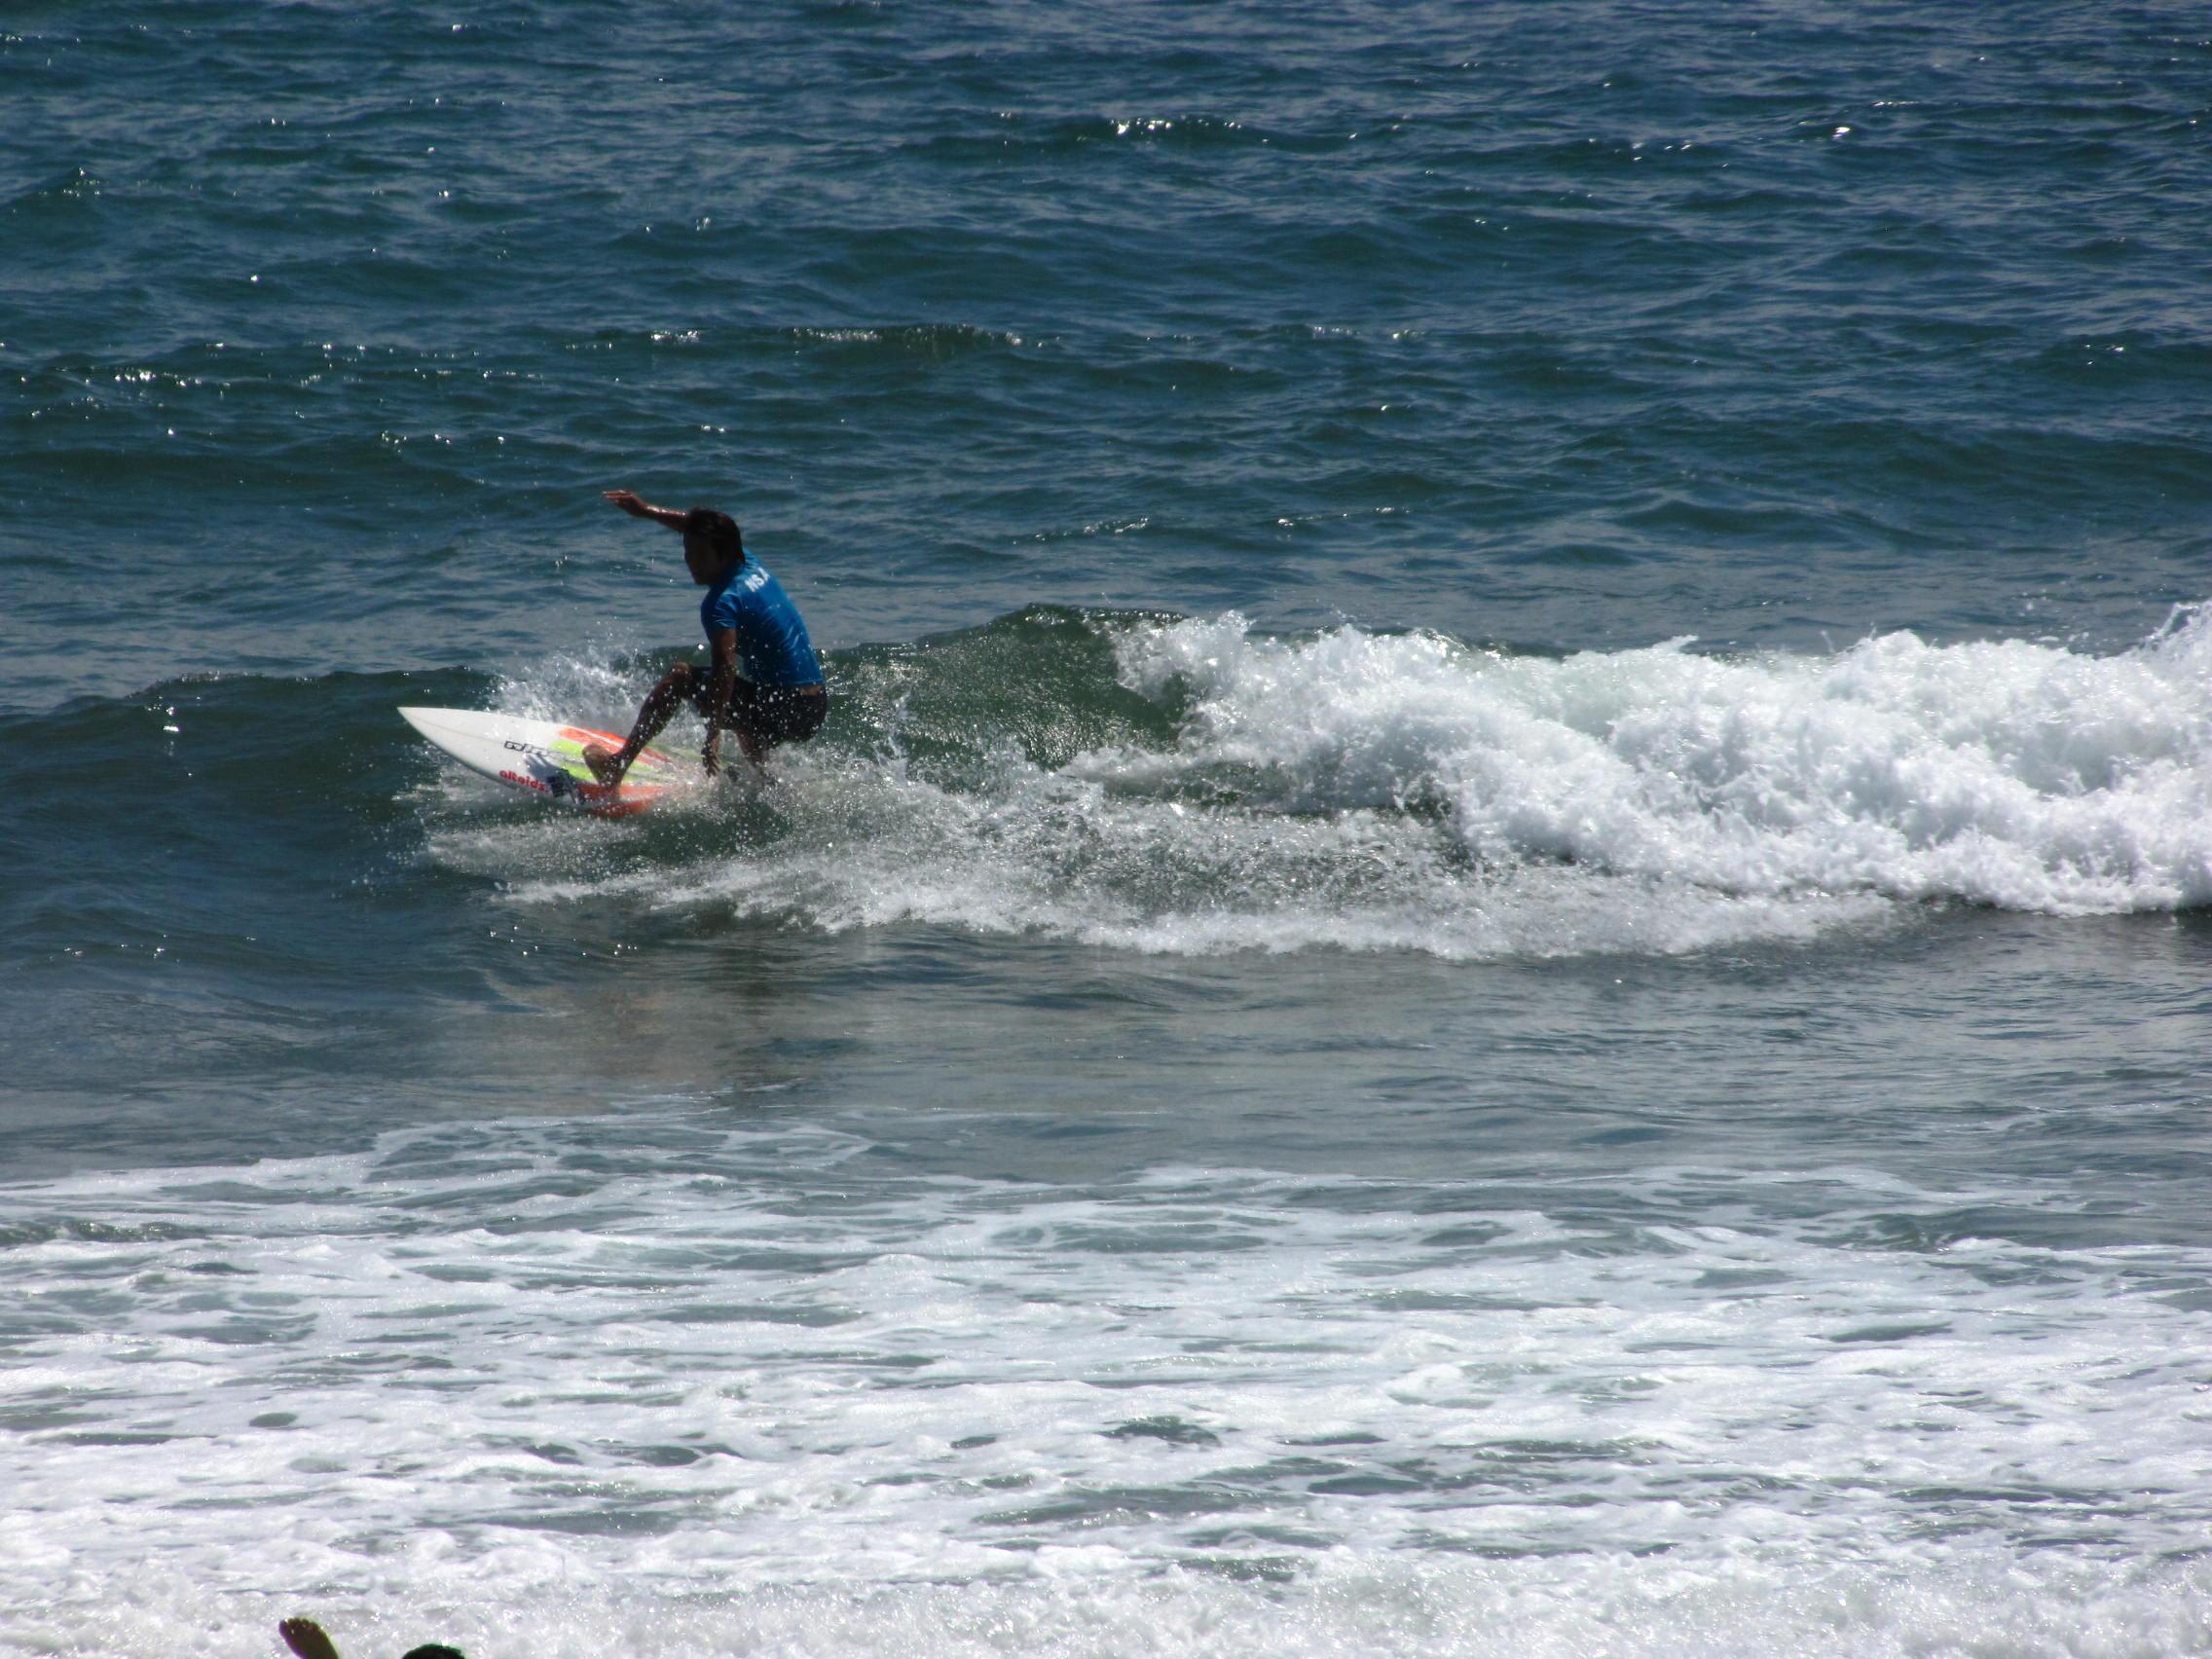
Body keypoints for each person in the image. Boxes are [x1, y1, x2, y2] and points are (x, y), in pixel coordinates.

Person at [583, 489, 828, 783]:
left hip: (782, 706)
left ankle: (617, 766)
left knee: (680, 678)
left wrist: (713, 730)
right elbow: (696, 528)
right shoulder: (748, 563)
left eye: (699, 555)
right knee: (745, 699)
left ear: (722, 554)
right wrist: (646, 511)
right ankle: (766, 780)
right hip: (812, 707)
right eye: (688, 552)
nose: (690, 561)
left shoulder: (722, 602)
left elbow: (725, 666)